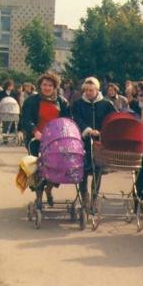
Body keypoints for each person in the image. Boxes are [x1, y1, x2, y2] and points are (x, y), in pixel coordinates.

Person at [21, 72, 69, 207]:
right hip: (36, 139)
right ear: (40, 86)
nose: (47, 88)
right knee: (37, 168)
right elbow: (26, 119)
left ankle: (49, 189)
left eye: (50, 85)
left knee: (58, 166)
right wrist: (34, 131)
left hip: (55, 140)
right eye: (44, 85)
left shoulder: (62, 102)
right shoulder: (32, 101)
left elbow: (67, 120)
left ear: (55, 87)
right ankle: (39, 195)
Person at [72, 77, 116, 204]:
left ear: (97, 90)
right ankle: (84, 194)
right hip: (83, 140)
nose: (89, 93)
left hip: (100, 141)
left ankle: (94, 198)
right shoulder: (78, 103)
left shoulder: (107, 104)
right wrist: (87, 130)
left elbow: (112, 120)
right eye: (86, 90)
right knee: (82, 169)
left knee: (98, 169)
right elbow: (75, 118)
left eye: (91, 90)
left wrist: (102, 131)